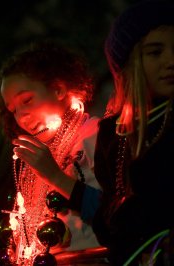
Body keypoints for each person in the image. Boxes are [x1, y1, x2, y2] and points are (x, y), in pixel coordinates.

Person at [0, 40, 105, 265]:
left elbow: (115, 214)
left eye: (27, 99)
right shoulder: (31, 159)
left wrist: (53, 175)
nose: (21, 115)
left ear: (59, 89)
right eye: (13, 110)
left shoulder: (96, 135)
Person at [92, 0, 174, 265]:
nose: (171, 61)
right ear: (129, 64)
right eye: (155, 52)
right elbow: (108, 217)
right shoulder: (111, 133)